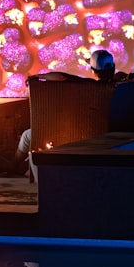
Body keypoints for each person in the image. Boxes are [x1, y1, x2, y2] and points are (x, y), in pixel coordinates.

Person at [14, 49, 117, 178]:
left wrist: (38, 77)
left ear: (92, 70)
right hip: (105, 136)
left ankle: (14, 165)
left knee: (27, 135)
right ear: (114, 68)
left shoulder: (86, 85)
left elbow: (61, 77)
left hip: (74, 133)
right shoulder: (119, 86)